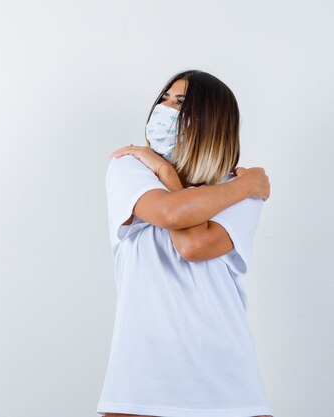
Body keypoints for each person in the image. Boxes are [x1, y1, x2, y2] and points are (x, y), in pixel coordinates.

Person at [96, 69, 274, 417]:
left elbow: (194, 245)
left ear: (210, 121)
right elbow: (171, 214)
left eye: (180, 103)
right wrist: (248, 185)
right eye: (163, 99)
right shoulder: (133, 168)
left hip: (228, 384)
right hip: (140, 381)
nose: (164, 110)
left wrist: (175, 178)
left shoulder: (233, 189)